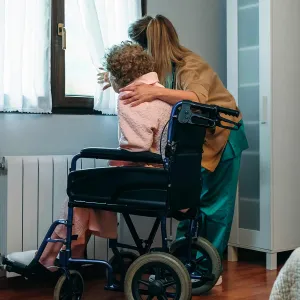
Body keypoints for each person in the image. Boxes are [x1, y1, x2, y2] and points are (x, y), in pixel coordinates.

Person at [98, 15, 248, 285]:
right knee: (186, 201)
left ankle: (206, 272)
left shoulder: (190, 64)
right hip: (195, 142)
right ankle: (181, 262)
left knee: (214, 208)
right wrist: (118, 79)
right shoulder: (161, 68)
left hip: (223, 137)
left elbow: (198, 98)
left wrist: (153, 93)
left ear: (149, 45)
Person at [6, 41, 172, 272]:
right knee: (91, 190)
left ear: (119, 77)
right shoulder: (162, 94)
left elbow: (137, 147)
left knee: (80, 188)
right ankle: (71, 250)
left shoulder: (130, 98)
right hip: (165, 177)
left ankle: (56, 253)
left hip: (142, 178)